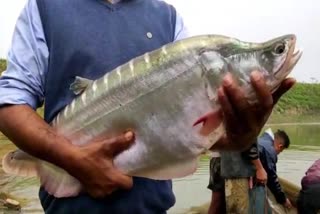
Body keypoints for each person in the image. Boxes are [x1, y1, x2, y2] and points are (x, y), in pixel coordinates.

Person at [0, 0, 295, 213]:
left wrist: (244, 136)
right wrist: (71, 159)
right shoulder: (45, 8)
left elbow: (209, 138)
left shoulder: (168, 19)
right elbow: (9, 101)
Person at [249, 128, 293, 209]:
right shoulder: (269, 150)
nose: (278, 154)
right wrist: (283, 200)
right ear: (280, 146)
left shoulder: (262, 139)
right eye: (280, 151)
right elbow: (272, 179)